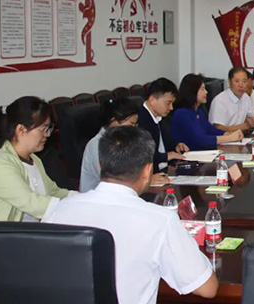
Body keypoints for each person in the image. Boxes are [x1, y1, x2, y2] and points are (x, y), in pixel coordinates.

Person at [45, 126, 218, 304]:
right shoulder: (160, 220)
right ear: (147, 171)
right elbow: (207, 288)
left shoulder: (60, 210)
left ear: (100, 165)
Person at [0, 96, 75, 221]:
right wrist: (74, 207)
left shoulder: (34, 159)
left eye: (48, 128)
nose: (47, 134)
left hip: (32, 230)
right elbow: (31, 203)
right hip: (7, 233)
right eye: (43, 129)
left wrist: (82, 198)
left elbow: (53, 192)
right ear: (21, 129)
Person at [80, 97, 148, 192]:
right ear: (113, 121)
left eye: (135, 125)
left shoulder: (123, 140)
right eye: (131, 124)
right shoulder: (96, 144)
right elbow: (113, 179)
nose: (134, 129)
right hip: (98, 197)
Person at [171, 73, 244, 151]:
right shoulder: (182, 113)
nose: (206, 92)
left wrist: (226, 133)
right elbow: (201, 140)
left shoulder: (198, 111)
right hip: (189, 155)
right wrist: (228, 138)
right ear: (192, 91)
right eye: (202, 89)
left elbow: (209, 129)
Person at [138, 77, 189, 172]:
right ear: (152, 100)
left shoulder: (162, 117)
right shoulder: (140, 121)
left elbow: (165, 141)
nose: (171, 108)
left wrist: (176, 145)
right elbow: (142, 155)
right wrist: (165, 156)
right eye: (168, 103)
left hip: (166, 170)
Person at [209, 67, 254, 132]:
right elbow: (218, 128)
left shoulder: (245, 97)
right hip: (225, 137)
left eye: (244, 81)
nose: (241, 85)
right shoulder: (220, 101)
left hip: (241, 135)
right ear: (229, 82)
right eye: (237, 81)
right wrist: (243, 126)